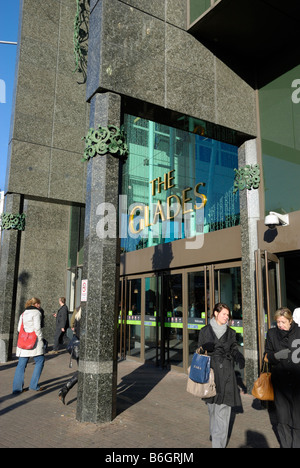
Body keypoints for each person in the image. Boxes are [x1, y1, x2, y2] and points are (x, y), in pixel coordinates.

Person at [197, 302, 245, 448]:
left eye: (228, 315)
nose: (227, 317)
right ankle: (215, 435)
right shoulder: (205, 331)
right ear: (216, 314)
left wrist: (238, 356)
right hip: (211, 375)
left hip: (227, 375)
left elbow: (234, 348)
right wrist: (204, 347)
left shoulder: (231, 332)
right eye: (224, 314)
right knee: (212, 408)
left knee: (223, 410)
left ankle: (218, 444)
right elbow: (197, 352)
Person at [265, 307, 300, 448]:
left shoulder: (299, 332)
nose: (280, 325)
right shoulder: (272, 334)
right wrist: (276, 356)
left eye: (283, 322)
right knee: (282, 419)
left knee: (298, 420)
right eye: (278, 322)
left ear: (290, 321)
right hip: (280, 384)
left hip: (298, 384)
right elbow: (266, 357)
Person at [12, 297, 45, 394]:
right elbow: (37, 328)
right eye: (39, 304)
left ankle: (17, 389)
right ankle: (33, 385)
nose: (40, 306)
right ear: (36, 304)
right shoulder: (37, 313)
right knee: (40, 360)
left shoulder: (23, 314)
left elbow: (19, 328)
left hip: (24, 342)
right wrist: (41, 338)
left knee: (21, 364)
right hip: (34, 342)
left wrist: (26, 335)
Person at [58, 306, 81, 405]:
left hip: (78, 346)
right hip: (83, 347)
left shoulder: (78, 311)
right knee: (83, 371)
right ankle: (64, 389)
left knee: (82, 371)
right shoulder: (88, 312)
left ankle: (65, 389)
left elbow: (74, 326)